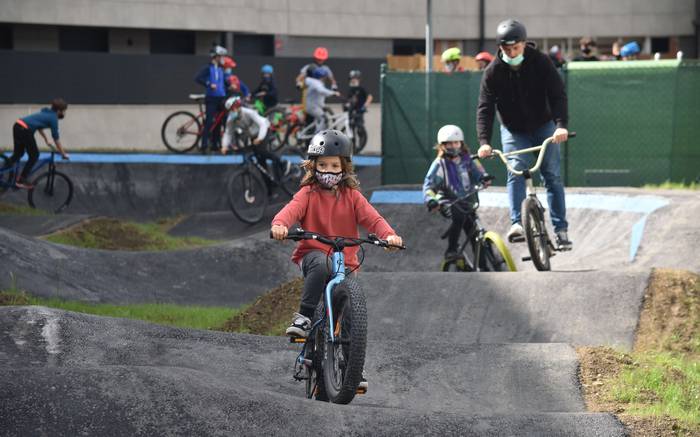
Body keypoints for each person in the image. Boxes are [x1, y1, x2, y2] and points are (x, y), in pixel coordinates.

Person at [271, 130, 403, 391]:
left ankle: (352, 366)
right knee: (321, 263)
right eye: (322, 165)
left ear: (344, 167)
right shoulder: (307, 194)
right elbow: (289, 212)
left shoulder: (352, 196)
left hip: (346, 260)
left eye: (334, 165)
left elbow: (372, 219)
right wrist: (279, 225)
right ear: (313, 166)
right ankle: (304, 318)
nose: (328, 170)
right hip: (313, 253)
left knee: (353, 313)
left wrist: (388, 235)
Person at [476, 19, 572, 249]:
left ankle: (561, 230)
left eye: (515, 48)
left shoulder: (541, 62)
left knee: (552, 175)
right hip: (513, 130)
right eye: (506, 49)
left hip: (544, 125)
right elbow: (485, 108)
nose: (511, 53)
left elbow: (558, 94)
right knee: (516, 171)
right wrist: (484, 142)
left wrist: (561, 125)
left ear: (523, 44)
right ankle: (517, 224)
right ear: (500, 48)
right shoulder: (493, 73)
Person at [423, 125, 489, 261]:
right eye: (449, 143)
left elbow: (479, 172)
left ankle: (483, 265)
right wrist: (431, 200)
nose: (453, 146)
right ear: (442, 146)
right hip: (448, 202)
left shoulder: (468, 160)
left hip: (468, 200)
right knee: (458, 216)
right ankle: (451, 249)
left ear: (461, 143)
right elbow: (428, 185)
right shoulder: (440, 164)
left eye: (456, 142)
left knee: (475, 233)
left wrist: (484, 178)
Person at [4, 98, 70, 188]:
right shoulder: (53, 118)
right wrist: (63, 154)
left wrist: (46, 139)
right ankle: (21, 180)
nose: (64, 113)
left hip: (17, 125)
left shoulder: (46, 112)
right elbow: (56, 139)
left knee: (18, 153)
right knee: (34, 155)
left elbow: (39, 126)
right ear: (59, 111)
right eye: (64, 111)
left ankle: (3, 169)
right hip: (25, 130)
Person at [221, 96, 290, 180]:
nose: (232, 111)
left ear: (238, 106)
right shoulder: (231, 120)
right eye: (230, 110)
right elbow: (228, 133)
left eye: (233, 108)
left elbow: (262, 124)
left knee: (261, 151)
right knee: (260, 162)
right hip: (254, 136)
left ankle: (283, 163)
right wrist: (224, 146)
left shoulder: (249, 112)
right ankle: (270, 189)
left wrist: (260, 138)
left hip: (264, 131)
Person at [194, 45, 228, 153]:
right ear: (215, 56)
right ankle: (204, 145)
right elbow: (198, 78)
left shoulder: (221, 69)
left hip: (221, 98)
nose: (222, 58)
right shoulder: (208, 68)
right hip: (211, 98)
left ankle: (215, 144)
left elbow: (223, 82)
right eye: (221, 56)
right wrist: (208, 83)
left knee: (219, 122)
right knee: (209, 121)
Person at [304, 66, 339, 132]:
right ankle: (317, 136)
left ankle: (317, 131)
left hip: (315, 106)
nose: (326, 78)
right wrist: (333, 93)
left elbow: (320, 97)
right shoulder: (316, 83)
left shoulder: (316, 82)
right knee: (324, 118)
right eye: (324, 76)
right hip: (312, 107)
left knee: (320, 121)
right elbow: (322, 91)